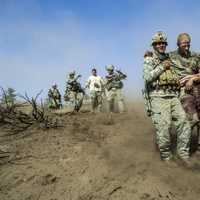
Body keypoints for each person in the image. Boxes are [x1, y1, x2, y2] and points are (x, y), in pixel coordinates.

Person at [143, 31, 191, 164]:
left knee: (184, 123)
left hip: (173, 96)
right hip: (157, 97)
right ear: (154, 45)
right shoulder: (149, 59)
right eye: (158, 43)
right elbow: (147, 77)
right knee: (164, 128)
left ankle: (183, 154)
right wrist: (162, 68)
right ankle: (167, 158)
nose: (161, 45)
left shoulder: (170, 58)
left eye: (163, 43)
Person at [169, 33, 200, 152]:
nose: (186, 48)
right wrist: (148, 56)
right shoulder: (171, 57)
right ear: (178, 44)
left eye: (188, 45)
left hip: (197, 87)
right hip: (183, 91)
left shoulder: (196, 56)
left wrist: (192, 79)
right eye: (184, 45)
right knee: (192, 119)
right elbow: (158, 60)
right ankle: (182, 151)